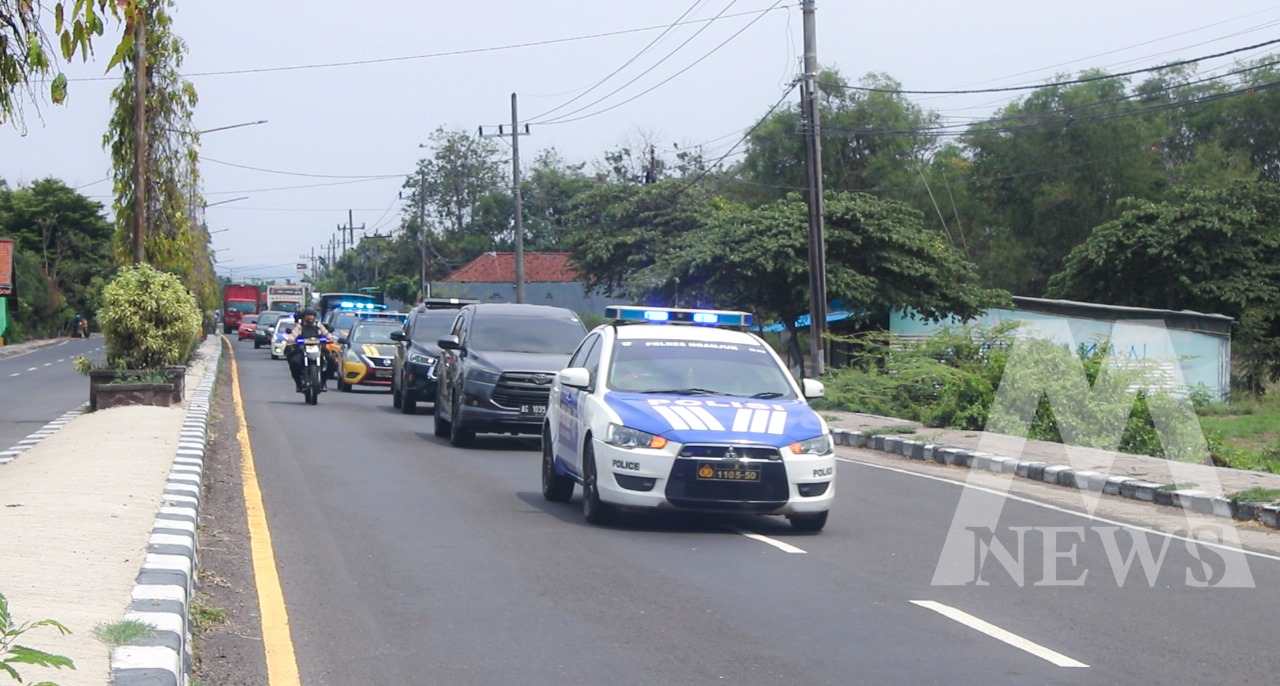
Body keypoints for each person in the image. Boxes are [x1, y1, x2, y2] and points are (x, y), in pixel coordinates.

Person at [286, 309, 334, 392]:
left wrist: (330, 338)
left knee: (331, 361)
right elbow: (292, 336)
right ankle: (299, 384)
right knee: (294, 362)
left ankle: (323, 382)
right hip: (302, 349)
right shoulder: (299, 326)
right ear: (304, 317)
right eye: (308, 315)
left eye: (312, 316)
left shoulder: (318, 325)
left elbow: (327, 334)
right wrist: (291, 340)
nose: (310, 318)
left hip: (318, 348)